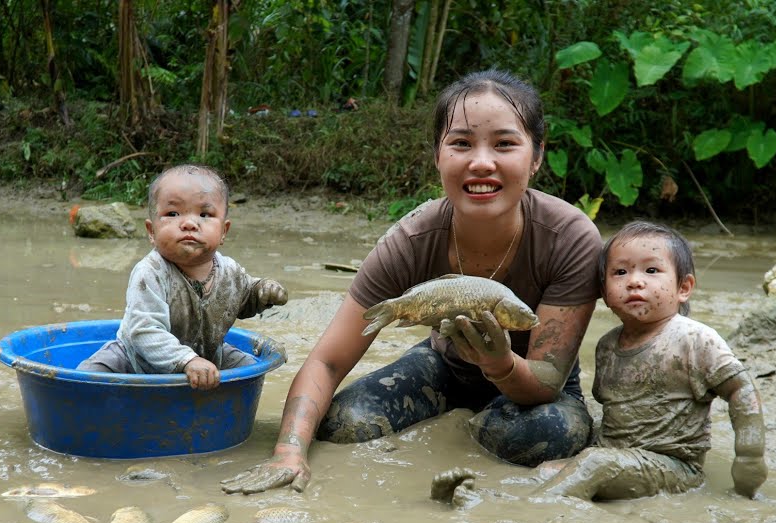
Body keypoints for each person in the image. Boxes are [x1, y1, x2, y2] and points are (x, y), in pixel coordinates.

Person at [223, 69, 603, 495]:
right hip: (446, 366)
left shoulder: (571, 237)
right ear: (437, 156)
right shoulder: (411, 238)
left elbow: (548, 378)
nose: (481, 161)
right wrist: (288, 453)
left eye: (505, 144)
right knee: (342, 423)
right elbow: (327, 362)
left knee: (551, 434)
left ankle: (473, 437)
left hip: (534, 383)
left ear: (536, 157)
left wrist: (500, 366)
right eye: (461, 143)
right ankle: (461, 428)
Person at [533, 220, 767, 501]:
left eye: (651, 270)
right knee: (545, 470)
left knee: (592, 465)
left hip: (674, 466)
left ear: (684, 287)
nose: (634, 281)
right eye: (620, 272)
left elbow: (741, 389)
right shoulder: (607, 346)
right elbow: (614, 412)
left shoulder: (694, 339)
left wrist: (749, 456)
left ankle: (532, 511)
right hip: (617, 457)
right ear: (605, 294)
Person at [78, 164, 287, 389]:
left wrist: (263, 291)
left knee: (247, 368)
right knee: (88, 375)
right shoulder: (150, 272)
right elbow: (144, 330)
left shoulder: (229, 272)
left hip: (207, 356)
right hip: (135, 359)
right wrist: (187, 360)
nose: (189, 223)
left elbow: (244, 298)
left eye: (205, 214)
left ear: (224, 231)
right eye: (173, 214)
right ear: (152, 231)